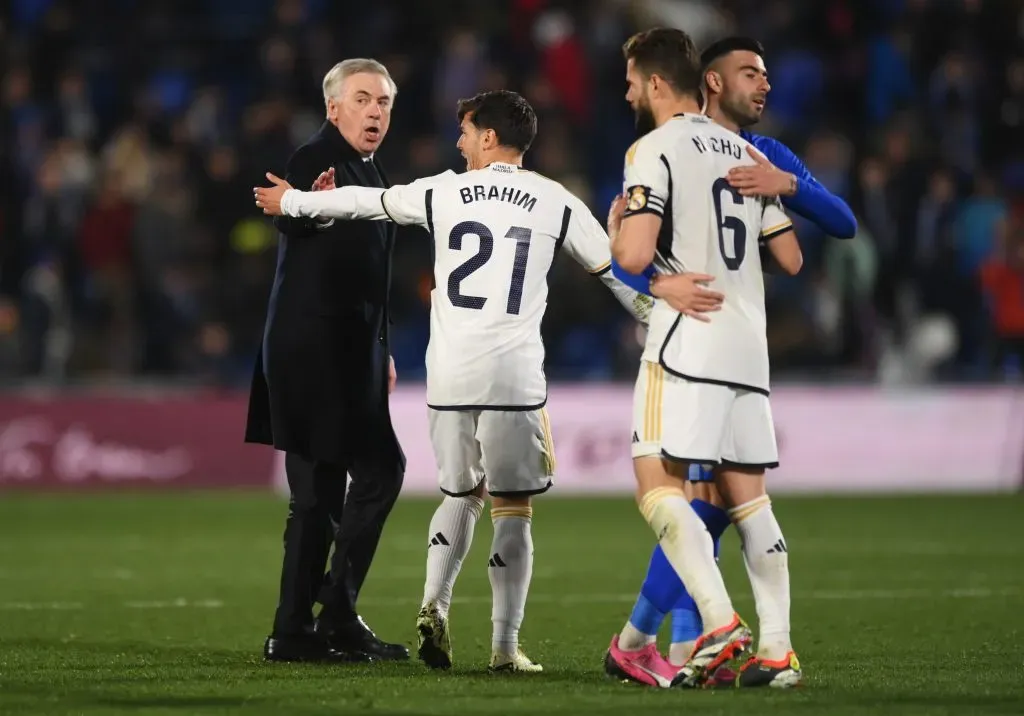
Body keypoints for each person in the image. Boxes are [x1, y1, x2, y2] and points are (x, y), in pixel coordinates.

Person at [254, 90, 690, 673]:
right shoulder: (554, 199)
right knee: (512, 508)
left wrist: (295, 202)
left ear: (488, 136)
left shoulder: (443, 190)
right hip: (512, 378)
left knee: (459, 495)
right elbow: (615, 275)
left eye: (464, 132)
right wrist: (663, 318)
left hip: (450, 374)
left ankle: (434, 603)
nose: (457, 142)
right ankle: (505, 650)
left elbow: (367, 202)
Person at [607, 36, 856, 686]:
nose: (764, 84)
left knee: (661, 482)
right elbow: (793, 261)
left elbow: (629, 257)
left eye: (634, 82)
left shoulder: (659, 149)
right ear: (710, 83)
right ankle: (772, 651)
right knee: (740, 498)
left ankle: (708, 628)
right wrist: (775, 199)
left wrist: (640, 263)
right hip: (749, 342)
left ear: (662, 83)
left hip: (690, 336)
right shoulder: (747, 156)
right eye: (751, 72)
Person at [246, 58, 408, 663]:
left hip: (351, 351)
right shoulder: (314, 161)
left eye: (385, 102)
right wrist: (303, 208)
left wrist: (381, 347)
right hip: (312, 350)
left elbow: (369, 271)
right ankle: (304, 625)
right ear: (333, 107)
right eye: (363, 99)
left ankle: (326, 614)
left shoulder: (369, 167)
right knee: (331, 487)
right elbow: (295, 217)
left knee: (350, 483)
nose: (376, 111)